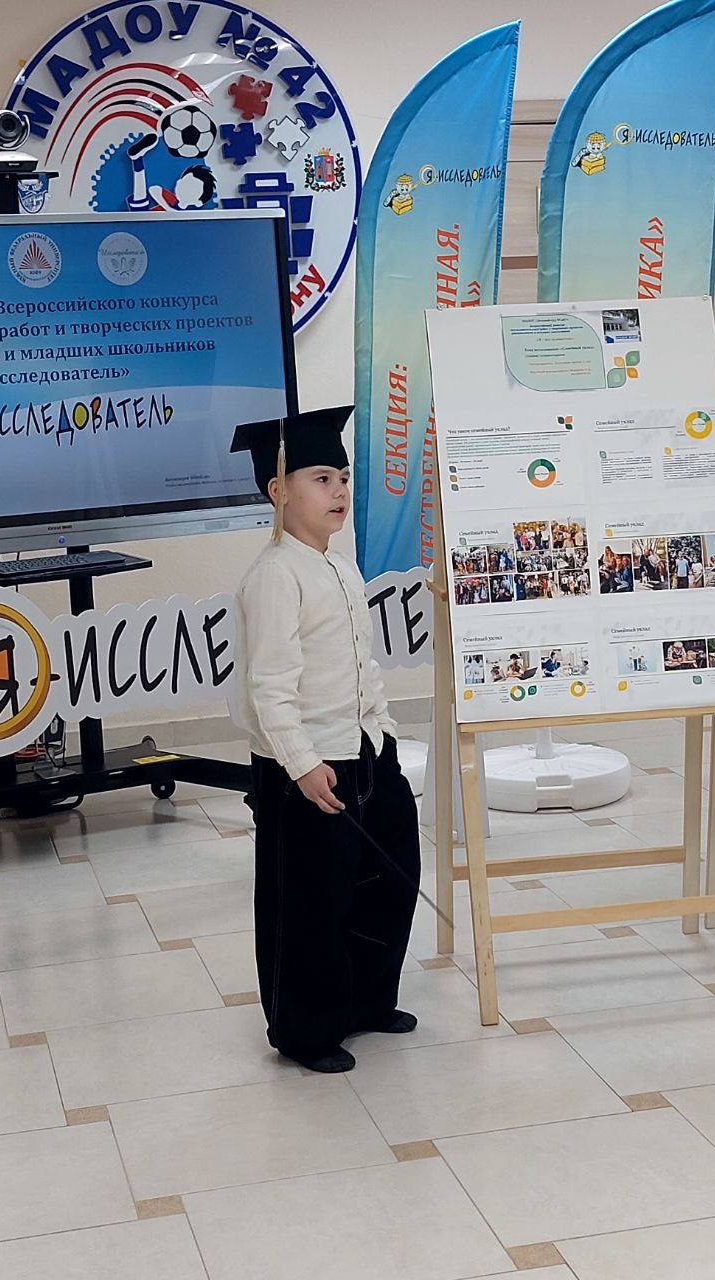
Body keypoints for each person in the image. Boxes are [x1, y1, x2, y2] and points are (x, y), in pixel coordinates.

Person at [230, 407, 419, 1074]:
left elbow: (362, 662)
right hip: (305, 767)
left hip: (364, 749)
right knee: (311, 899)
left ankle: (365, 1000)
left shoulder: (340, 568)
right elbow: (269, 686)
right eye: (320, 479)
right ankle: (307, 1029)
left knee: (386, 878)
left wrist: (384, 733)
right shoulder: (275, 575)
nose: (338, 490)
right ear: (278, 491)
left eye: (342, 477)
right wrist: (303, 765)